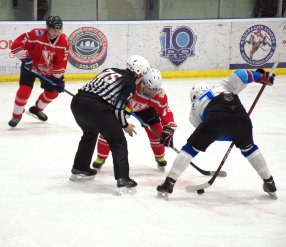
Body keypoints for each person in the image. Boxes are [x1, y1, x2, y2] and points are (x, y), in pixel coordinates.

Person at [157, 68, 277, 198]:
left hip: (215, 119)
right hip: (241, 117)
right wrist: (260, 76)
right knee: (249, 148)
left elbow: (211, 133)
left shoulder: (193, 109)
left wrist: (225, 130)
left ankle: (169, 182)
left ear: (193, 96)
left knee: (190, 149)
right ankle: (269, 181)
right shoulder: (221, 87)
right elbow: (241, 74)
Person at [69, 55, 150, 192]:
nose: (142, 78)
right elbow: (118, 108)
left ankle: (80, 167)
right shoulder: (130, 82)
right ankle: (123, 179)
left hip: (77, 102)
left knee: (90, 133)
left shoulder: (111, 69)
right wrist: (125, 125)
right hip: (96, 108)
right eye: (142, 75)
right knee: (118, 141)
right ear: (137, 72)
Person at [92, 69, 177, 171]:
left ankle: (159, 156)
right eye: (149, 89)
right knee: (110, 128)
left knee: (156, 130)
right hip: (123, 106)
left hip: (144, 109)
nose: (152, 92)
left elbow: (166, 112)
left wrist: (169, 128)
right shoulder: (131, 84)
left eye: (155, 90)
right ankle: (101, 157)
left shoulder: (160, 96)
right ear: (142, 83)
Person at [8, 16, 68, 128]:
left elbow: (61, 61)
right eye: (53, 29)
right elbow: (16, 45)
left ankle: (36, 109)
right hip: (30, 67)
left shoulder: (64, 41)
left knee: (53, 92)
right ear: (47, 28)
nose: (56, 32)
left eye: (59, 29)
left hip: (47, 70)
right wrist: (25, 58)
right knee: (24, 91)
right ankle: (16, 115)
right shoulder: (36, 34)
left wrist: (58, 77)